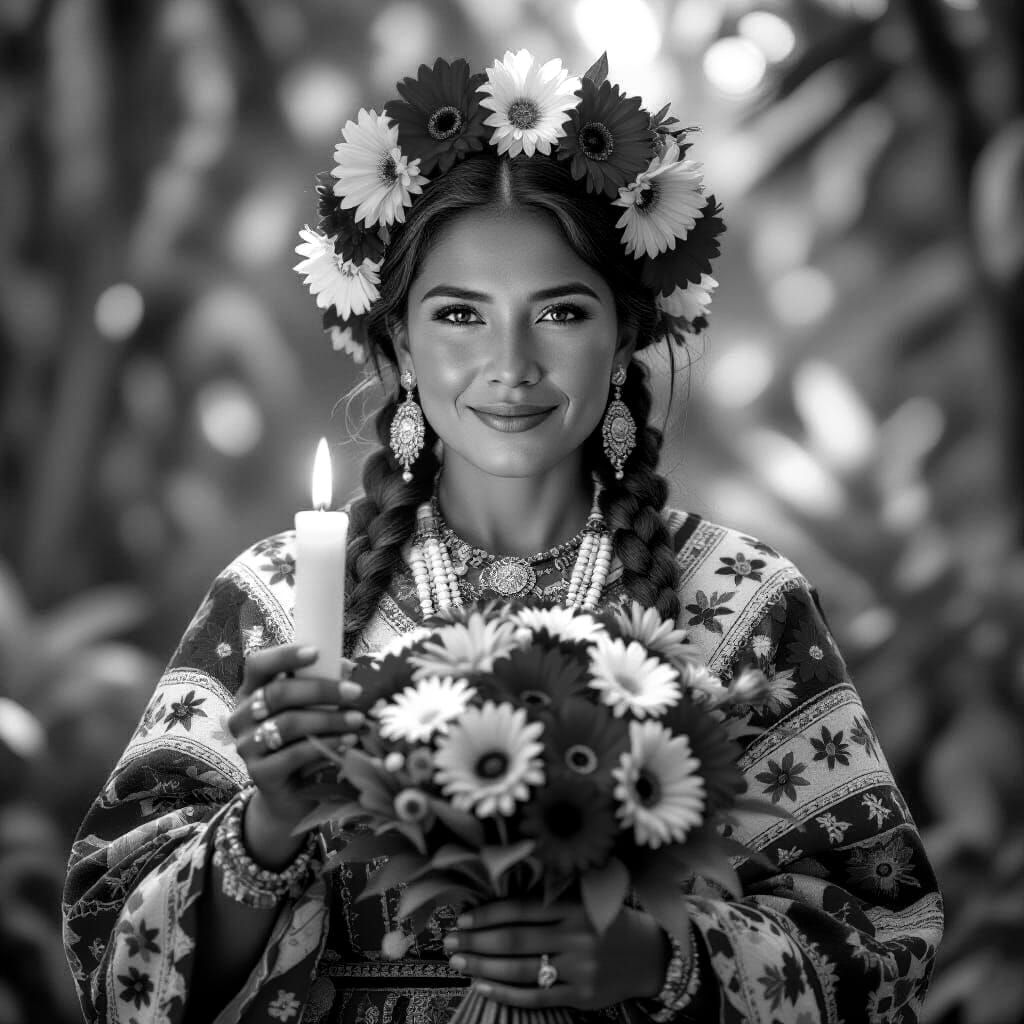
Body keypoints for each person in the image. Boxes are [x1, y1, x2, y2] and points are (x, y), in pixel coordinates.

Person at [62, 50, 943, 1024]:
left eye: (560, 311)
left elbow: (883, 940)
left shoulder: (741, 600)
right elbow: (114, 968)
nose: (511, 364)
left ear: (625, 335)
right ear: (400, 341)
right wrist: (267, 824)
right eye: (460, 315)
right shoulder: (273, 602)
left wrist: (659, 960)